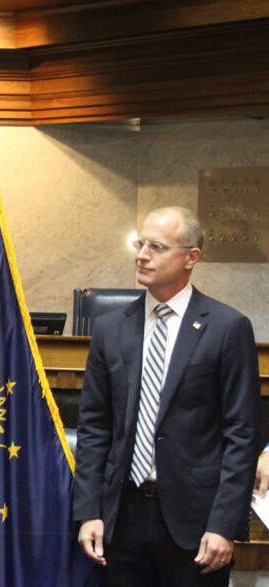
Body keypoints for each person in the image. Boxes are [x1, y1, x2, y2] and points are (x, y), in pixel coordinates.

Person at [73, 206, 261, 586]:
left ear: (192, 257)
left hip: (196, 525)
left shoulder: (227, 328)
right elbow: (94, 428)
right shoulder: (110, 329)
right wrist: (89, 511)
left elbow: (242, 435)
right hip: (122, 519)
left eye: (156, 247)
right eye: (140, 244)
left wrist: (224, 525)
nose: (142, 255)